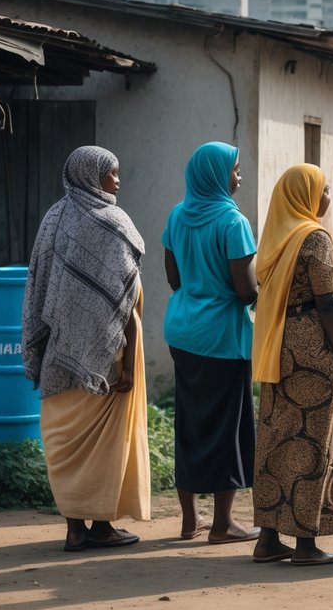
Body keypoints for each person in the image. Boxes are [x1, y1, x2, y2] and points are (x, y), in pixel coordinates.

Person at [22, 146, 150, 552]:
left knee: (65, 440)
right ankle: (101, 526)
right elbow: (125, 300)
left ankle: (76, 528)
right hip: (106, 357)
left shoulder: (53, 218)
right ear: (91, 176)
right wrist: (128, 364)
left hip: (59, 357)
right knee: (104, 445)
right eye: (111, 174)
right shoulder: (113, 222)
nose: (117, 182)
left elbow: (37, 285)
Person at [250, 164, 333, 566]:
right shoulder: (314, 237)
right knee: (313, 439)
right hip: (312, 347)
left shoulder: (276, 237)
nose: (328, 197)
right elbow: (328, 302)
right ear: (307, 196)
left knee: (277, 437)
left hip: (278, 343)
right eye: (325, 190)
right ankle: (306, 545)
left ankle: (267, 538)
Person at [162, 142, 260, 545]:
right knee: (227, 429)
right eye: (235, 170)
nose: (239, 176)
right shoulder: (233, 222)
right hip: (222, 336)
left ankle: (190, 520)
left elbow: (174, 279)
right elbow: (246, 291)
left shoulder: (177, 215)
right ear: (217, 174)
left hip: (183, 332)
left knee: (189, 423)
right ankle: (222, 525)